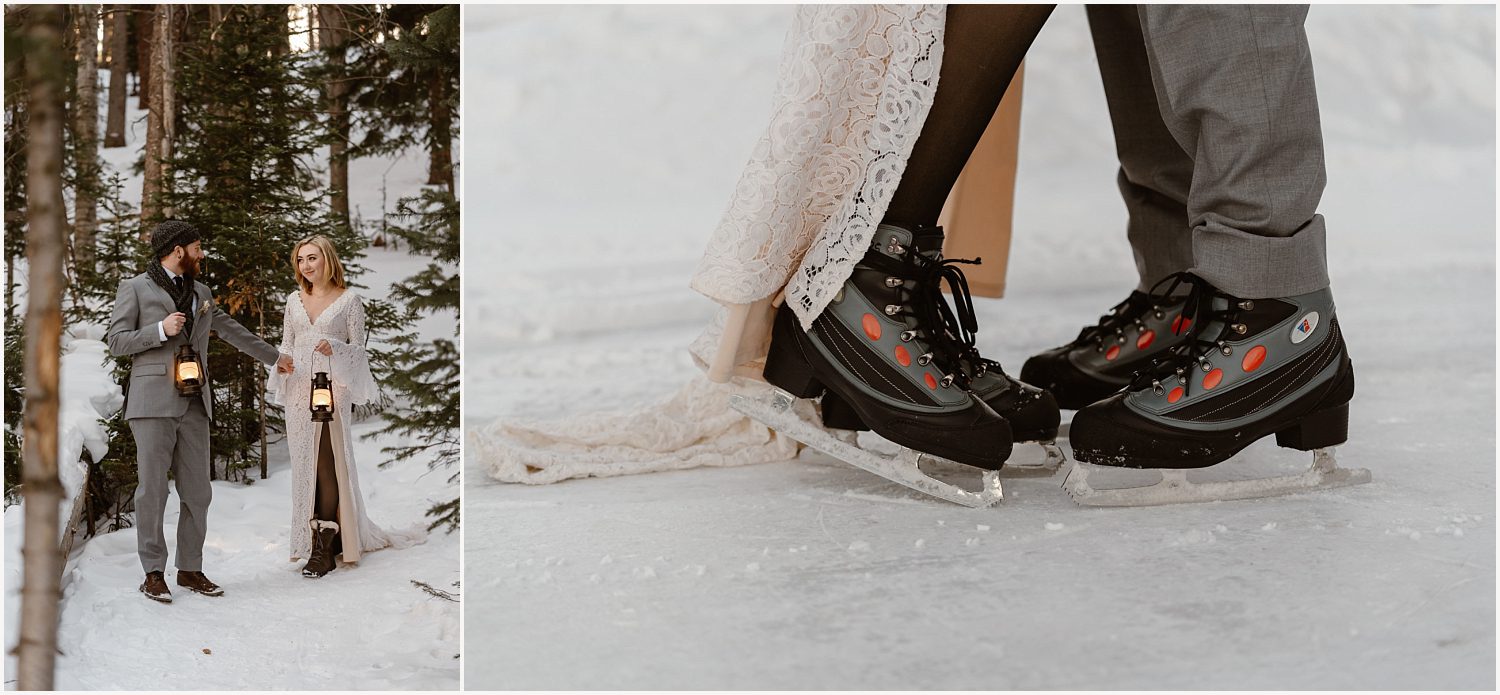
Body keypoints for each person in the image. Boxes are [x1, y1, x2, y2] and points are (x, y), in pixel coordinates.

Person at [107, 219, 293, 603]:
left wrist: (276, 359)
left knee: (198, 492)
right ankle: (153, 573)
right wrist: (159, 329)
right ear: (178, 250)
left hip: (195, 402)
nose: (201, 254)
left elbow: (232, 330)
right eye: (197, 248)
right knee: (153, 491)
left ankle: (190, 569)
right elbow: (116, 342)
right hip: (151, 403)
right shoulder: (136, 288)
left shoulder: (202, 292)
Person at [268, 235, 422, 577]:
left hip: (331, 389)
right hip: (297, 392)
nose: (307, 266)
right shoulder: (293, 301)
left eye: (313, 258)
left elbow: (359, 351)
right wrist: (283, 363)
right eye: (301, 260)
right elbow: (286, 344)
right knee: (305, 465)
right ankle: (314, 538)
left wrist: (335, 347)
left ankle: (326, 542)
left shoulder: (350, 301)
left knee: (326, 462)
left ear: (328, 260)